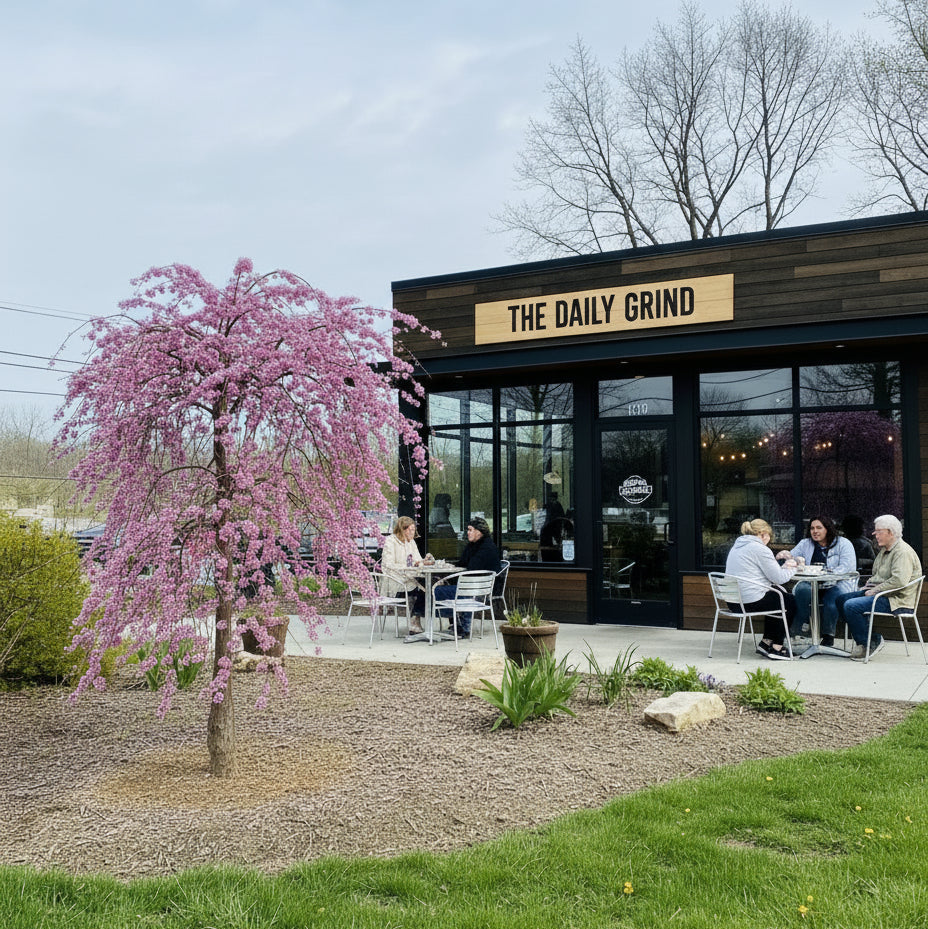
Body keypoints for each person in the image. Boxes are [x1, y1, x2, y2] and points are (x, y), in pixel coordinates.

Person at [834, 514, 922, 661]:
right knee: (841, 600)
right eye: (875, 531)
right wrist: (868, 585)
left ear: (891, 532)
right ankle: (870, 637)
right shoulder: (885, 550)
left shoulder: (902, 552)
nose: (875, 535)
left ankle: (867, 643)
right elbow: (878, 575)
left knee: (851, 605)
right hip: (883, 593)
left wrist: (875, 589)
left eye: (879, 531)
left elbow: (899, 581)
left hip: (897, 599)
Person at [776, 515, 857, 647]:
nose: (815, 531)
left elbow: (846, 568)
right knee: (802, 590)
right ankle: (802, 626)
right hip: (812, 583)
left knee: (832, 601)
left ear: (828, 529)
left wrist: (823, 573)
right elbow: (791, 558)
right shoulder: (805, 543)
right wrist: (789, 559)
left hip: (838, 582)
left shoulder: (843, 543)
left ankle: (828, 635)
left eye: (819, 527)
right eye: (812, 528)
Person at [725, 518, 799, 660]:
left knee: (776, 598)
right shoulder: (759, 548)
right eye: (769, 537)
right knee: (788, 601)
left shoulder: (736, 547)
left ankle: (765, 643)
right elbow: (779, 579)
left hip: (733, 602)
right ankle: (777, 647)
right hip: (749, 602)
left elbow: (766, 574)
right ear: (764, 534)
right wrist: (794, 565)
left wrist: (783, 567)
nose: (769, 541)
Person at [433, 516, 501, 637]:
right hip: (477, 588)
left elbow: (471, 568)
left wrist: (446, 577)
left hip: (478, 591)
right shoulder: (476, 545)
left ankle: (461, 625)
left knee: (435, 591)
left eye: (470, 530)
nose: (467, 533)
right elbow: (462, 564)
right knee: (444, 587)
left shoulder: (486, 549)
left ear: (479, 532)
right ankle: (459, 624)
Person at [380, 516, 426, 635]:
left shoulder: (411, 542)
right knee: (421, 590)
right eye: (409, 530)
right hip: (395, 581)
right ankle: (415, 620)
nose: (412, 533)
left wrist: (422, 562)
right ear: (402, 529)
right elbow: (388, 564)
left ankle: (415, 618)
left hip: (410, 578)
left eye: (413, 530)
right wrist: (407, 568)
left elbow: (418, 559)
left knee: (430, 586)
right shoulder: (391, 541)